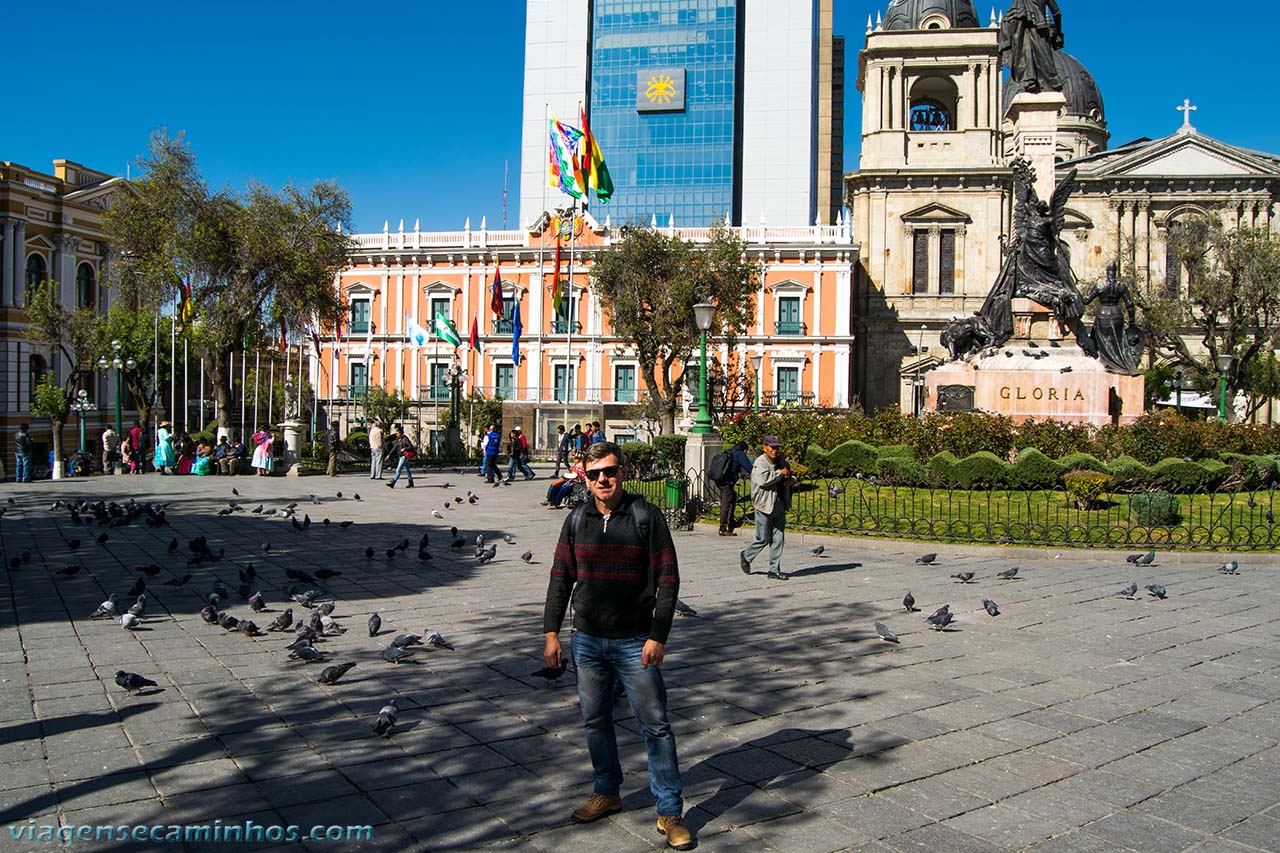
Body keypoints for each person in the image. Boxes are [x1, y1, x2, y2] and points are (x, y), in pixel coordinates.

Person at [541, 441, 693, 850]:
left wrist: (658, 635)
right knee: (595, 722)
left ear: (622, 472)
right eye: (594, 475)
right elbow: (561, 576)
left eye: (609, 471)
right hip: (587, 640)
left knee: (656, 726)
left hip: (634, 642)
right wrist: (551, 632)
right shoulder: (576, 519)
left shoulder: (645, 515)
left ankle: (670, 811)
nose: (603, 480)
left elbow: (667, 578)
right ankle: (606, 791)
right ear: (584, 478)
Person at [739, 436, 796, 581]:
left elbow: (788, 474)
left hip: (779, 503)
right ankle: (746, 555)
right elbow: (763, 481)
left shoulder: (782, 461)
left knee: (778, 537)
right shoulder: (760, 463)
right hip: (764, 505)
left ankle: (774, 569)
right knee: (763, 538)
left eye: (777, 448)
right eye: (772, 447)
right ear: (765, 447)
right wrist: (779, 474)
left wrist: (791, 480)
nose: (775, 451)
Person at [1083, 260, 1143, 375]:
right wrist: (1132, 321)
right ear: (1115, 272)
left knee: (1102, 343)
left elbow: (1087, 301)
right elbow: (1129, 304)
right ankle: (1123, 365)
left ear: (1107, 272)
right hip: (1117, 315)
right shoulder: (1121, 286)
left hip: (1103, 315)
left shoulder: (1100, 285)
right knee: (1118, 343)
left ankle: (1107, 364)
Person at [716, 441, 754, 536]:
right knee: (726, 503)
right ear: (745, 450)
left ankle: (731, 521)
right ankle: (723, 528)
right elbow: (748, 468)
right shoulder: (740, 454)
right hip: (727, 482)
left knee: (732, 497)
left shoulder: (729, 451)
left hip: (720, 479)